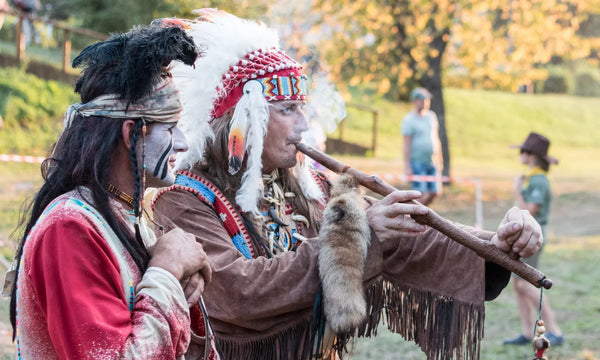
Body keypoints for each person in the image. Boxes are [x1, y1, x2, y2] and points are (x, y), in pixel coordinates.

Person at [151, 10, 543, 360]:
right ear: (244, 120)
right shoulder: (184, 200)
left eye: (303, 109)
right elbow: (236, 293)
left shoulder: (313, 186)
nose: (304, 125)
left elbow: (405, 239)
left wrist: (492, 246)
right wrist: (357, 237)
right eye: (288, 110)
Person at [8, 23, 212, 359]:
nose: (182, 143)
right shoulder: (68, 228)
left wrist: (180, 275)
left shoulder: (123, 213)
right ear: (131, 134)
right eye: (170, 127)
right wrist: (166, 271)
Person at [503, 132, 564, 346]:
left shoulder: (538, 180)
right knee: (519, 284)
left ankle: (554, 330)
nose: (520, 154)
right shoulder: (533, 176)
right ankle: (527, 331)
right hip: (526, 236)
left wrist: (517, 190)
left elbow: (530, 210)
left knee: (528, 283)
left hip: (533, 237)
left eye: (523, 151)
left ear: (531, 155)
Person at [401, 87, 443, 205]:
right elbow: (406, 144)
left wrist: (440, 159)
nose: (424, 102)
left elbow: (436, 139)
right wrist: (407, 166)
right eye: (421, 100)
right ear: (414, 101)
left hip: (432, 161)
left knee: (435, 192)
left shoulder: (431, 117)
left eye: (426, 100)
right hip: (417, 162)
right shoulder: (409, 120)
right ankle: (411, 215)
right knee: (421, 193)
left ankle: (421, 216)